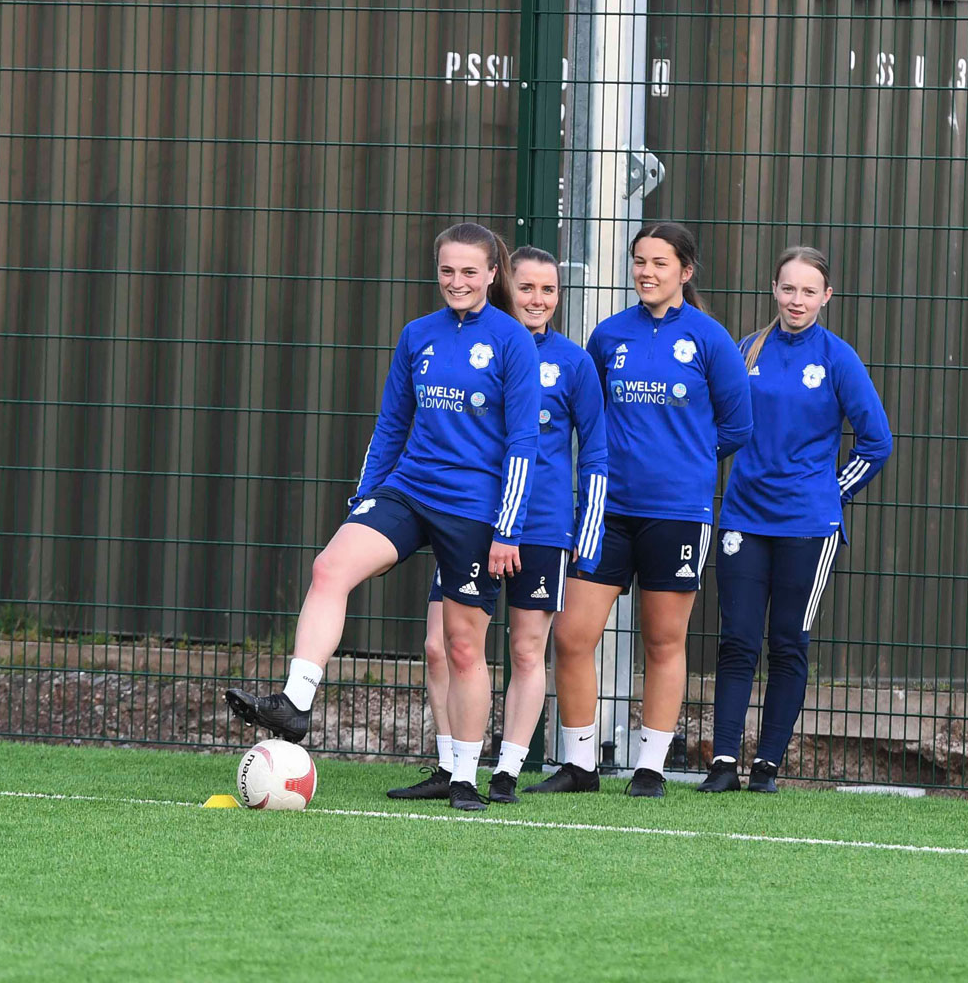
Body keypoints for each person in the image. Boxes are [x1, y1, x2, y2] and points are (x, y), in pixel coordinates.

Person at [225, 223, 540, 812]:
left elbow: (524, 442)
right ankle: (295, 704)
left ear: (493, 273)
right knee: (330, 567)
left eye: (470, 272)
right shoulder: (417, 335)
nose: (457, 282)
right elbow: (391, 425)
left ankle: (465, 777)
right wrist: (364, 499)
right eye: (447, 270)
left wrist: (508, 530)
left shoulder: (513, 341)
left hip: (473, 508)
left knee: (463, 647)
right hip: (408, 490)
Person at [527, 222, 752, 799]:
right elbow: (591, 416)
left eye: (659, 262)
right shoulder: (607, 337)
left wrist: (689, 460)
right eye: (638, 262)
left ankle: (650, 765)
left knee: (662, 640)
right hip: (609, 508)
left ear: (686, 271)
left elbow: (737, 424)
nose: (646, 272)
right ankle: (580, 765)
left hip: (677, 512)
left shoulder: (709, 339)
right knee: (573, 636)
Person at [384, 247, 607, 805]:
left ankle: (504, 771)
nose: (538, 299)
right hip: (475, 520)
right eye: (527, 287)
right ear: (506, 285)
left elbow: (597, 453)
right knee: (441, 646)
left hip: (540, 526)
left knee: (528, 650)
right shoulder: (479, 344)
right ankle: (449, 764)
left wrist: (589, 529)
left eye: (549, 290)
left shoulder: (574, 363)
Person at [699, 246, 891, 794]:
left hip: (808, 526)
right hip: (743, 518)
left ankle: (767, 767)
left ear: (826, 297)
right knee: (737, 641)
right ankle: (723, 764)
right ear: (773, 290)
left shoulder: (837, 358)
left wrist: (831, 494)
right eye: (788, 289)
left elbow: (877, 442)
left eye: (809, 291)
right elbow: (717, 425)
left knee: (788, 642)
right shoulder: (746, 350)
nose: (797, 300)